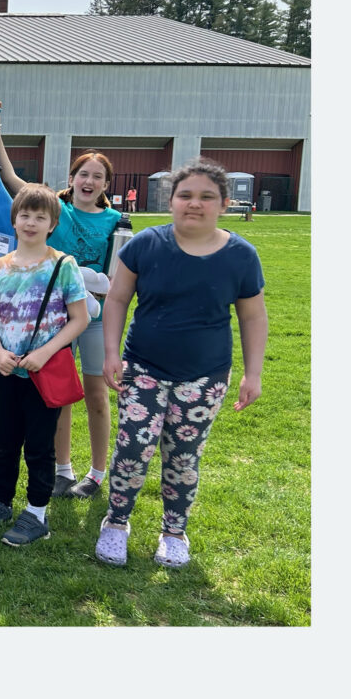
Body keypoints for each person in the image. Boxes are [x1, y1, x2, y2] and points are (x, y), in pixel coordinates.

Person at [95, 158, 266, 570]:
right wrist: (112, 353)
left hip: (204, 377)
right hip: (143, 369)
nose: (195, 204)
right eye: (185, 195)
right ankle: (116, 523)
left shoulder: (241, 256)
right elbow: (117, 299)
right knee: (133, 450)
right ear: (171, 201)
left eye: (207, 197)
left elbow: (252, 315)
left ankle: (174, 532)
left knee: (184, 456)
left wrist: (253, 372)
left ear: (224, 203)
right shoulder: (145, 245)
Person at [0, 185, 91, 547]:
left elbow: (79, 318)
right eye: (25, 215)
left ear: (53, 224)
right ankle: (1, 500)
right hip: (7, 369)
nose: (31, 222)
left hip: (45, 371)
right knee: (4, 439)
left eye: (41, 217)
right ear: (14, 220)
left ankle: (37, 511)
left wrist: (46, 352)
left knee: (39, 444)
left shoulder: (63, 265)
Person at [50, 150, 130, 500]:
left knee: (97, 395)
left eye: (97, 176)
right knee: (62, 394)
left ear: (106, 185)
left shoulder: (116, 220)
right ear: (71, 178)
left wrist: (94, 284)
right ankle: (62, 470)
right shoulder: (56, 209)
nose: (89, 181)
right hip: (57, 316)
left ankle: (97, 473)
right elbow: (15, 185)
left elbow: (116, 279)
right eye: (83, 174)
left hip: (97, 320)